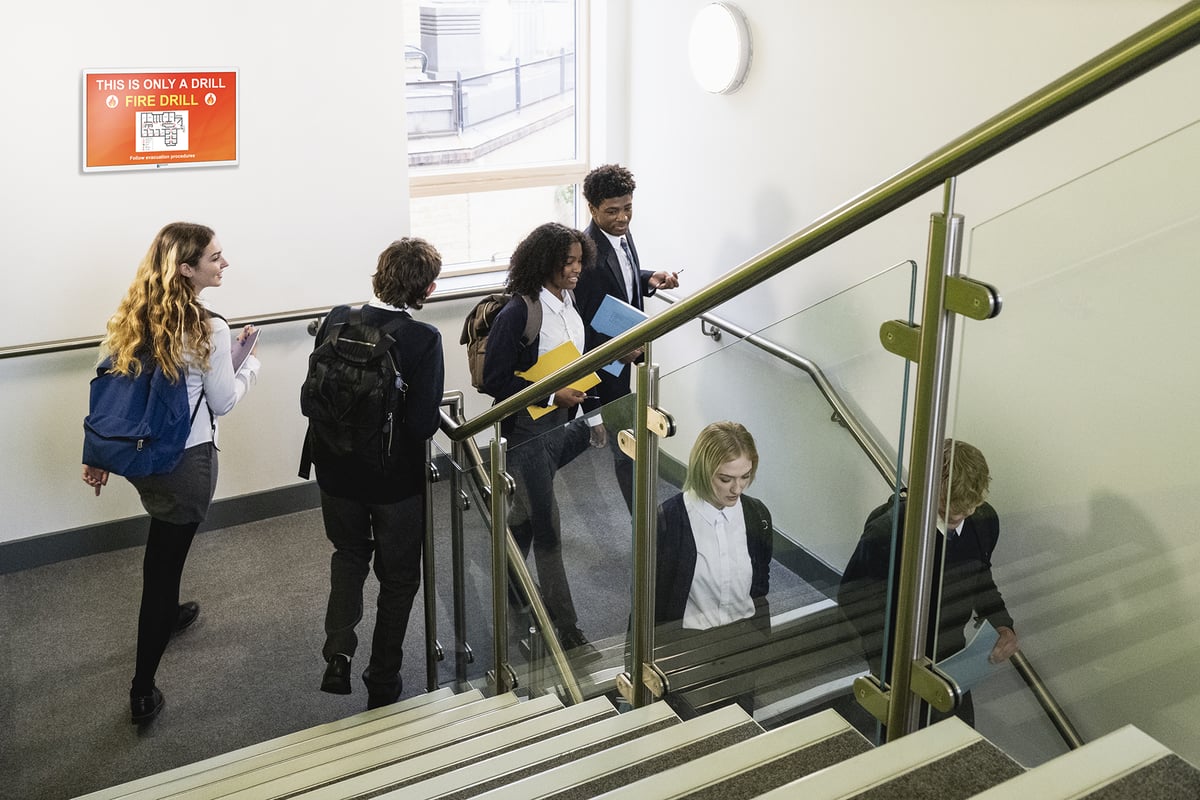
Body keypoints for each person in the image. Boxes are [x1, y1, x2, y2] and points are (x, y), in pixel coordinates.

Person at [82, 222, 261, 725]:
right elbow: (221, 400)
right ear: (187, 268)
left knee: (164, 544)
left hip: (142, 460)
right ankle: (142, 690)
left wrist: (95, 454)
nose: (224, 264)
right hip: (185, 462)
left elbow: (111, 388)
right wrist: (248, 367)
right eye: (215, 258)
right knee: (160, 571)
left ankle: (172, 607)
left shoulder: (133, 315)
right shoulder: (210, 327)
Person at [306, 238, 445, 710]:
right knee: (399, 578)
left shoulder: (336, 318)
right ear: (426, 287)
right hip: (394, 483)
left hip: (334, 472)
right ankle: (382, 678)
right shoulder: (423, 339)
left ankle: (338, 654)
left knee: (348, 556)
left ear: (379, 274)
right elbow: (423, 423)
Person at [481, 222, 601, 663]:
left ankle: (507, 581)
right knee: (549, 531)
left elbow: (578, 360)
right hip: (528, 435)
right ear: (544, 263)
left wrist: (590, 412)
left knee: (529, 515)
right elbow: (495, 380)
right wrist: (552, 394)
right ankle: (567, 631)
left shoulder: (570, 303)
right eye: (567, 262)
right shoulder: (520, 311)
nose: (576, 269)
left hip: (564, 429)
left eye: (578, 260)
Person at [837, 439, 1020, 726]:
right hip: (897, 654)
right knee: (900, 735)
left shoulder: (984, 521)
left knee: (956, 738)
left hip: (952, 653)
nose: (959, 516)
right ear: (926, 487)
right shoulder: (889, 530)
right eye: (948, 506)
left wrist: (1001, 622)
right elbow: (853, 599)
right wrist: (891, 661)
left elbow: (980, 576)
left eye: (967, 508)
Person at [574, 164, 681, 511]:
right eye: (612, 211)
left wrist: (650, 278)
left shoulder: (622, 235)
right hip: (604, 364)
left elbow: (622, 280)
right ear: (592, 208)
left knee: (628, 438)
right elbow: (581, 321)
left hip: (627, 356)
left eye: (628, 208)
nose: (622, 218)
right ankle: (643, 520)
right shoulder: (585, 253)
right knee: (627, 443)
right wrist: (616, 350)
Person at [654, 421, 772, 716]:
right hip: (688, 647)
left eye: (745, 477)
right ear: (703, 471)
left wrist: (758, 641)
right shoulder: (668, 519)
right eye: (726, 479)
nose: (737, 488)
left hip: (740, 641)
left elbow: (760, 583)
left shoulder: (756, 514)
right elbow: (650, 600)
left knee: (738, 725)